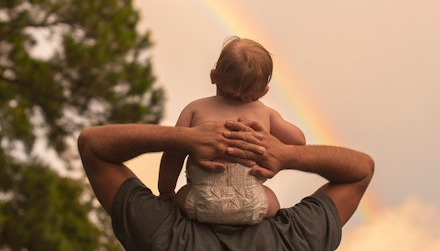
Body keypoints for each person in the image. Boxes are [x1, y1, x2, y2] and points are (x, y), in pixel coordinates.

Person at [78, 120, 374, 250]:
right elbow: (361, 169)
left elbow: (93, 145)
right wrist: (286, 154)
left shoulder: (165, 237)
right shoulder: (291, 241)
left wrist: (187, 139)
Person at [158, 36, 306, 225]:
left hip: (201, 200)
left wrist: (167, 192)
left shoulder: (195, 109)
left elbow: (173, 153)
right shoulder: (266, 113)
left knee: (180, 197)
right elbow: (299, 141)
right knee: (272, 201)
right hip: (252, 203)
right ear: (264, 91)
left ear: (213, 76)